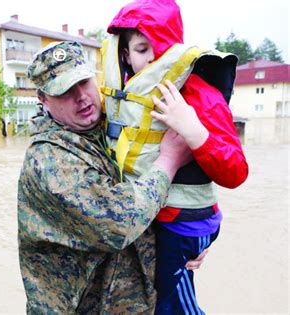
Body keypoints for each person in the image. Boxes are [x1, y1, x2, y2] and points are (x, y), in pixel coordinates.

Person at [18, 41, 205, 314]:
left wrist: (188, 237)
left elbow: (149, 186)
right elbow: (119, 223)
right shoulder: (48, 160)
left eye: (83, 82)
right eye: (65, 91)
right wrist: (169, 160)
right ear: (43, 100)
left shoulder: (112, 126)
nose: (81, 96)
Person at [103, 1, 249, 313]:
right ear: (125, 54)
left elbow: (236, 172)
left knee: (170, 306)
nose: (154, 58)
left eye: (162, 48)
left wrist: (194, 131)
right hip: (151, 221)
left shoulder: (199, 95)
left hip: (183, 225)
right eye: (142, 49)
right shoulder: (121, 95)